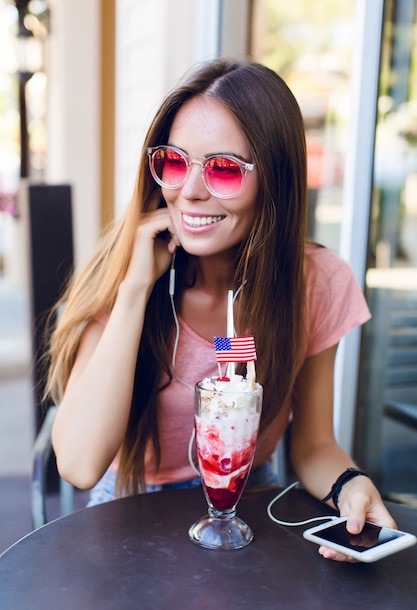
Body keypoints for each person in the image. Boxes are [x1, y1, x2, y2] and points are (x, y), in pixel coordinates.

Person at [46, 58, 396, 562]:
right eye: (174, 161)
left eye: (225, 169)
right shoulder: (124, 274)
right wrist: (133, 290)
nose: (189, 190)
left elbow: (315, 444)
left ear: (275, 181)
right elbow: (79, 464)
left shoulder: (316, 283)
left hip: (252, 505)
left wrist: (351, 487)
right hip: (130, 513)